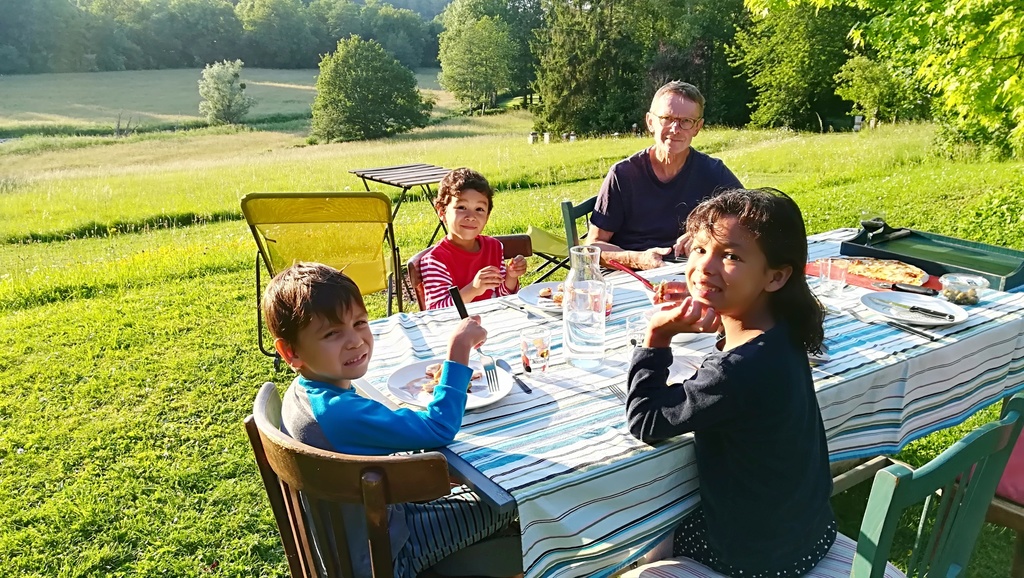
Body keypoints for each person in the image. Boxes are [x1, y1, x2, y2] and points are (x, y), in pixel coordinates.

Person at [625, 189, 835, 577]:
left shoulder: (735, 370)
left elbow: (646, 421)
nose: (705, 267)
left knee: (645, 529)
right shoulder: (784, 332)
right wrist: (720, 313)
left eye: (731, 256)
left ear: (776, 276)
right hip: (811, 531)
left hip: (756, 557)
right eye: (700, 249)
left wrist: (656, 337)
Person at [262, 262, 519, 578]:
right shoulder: (338, 413)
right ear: (290, 352)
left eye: (359, 322)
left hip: (365, 534)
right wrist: (458, 350)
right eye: (332, 333)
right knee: (509, 500)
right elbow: (440, 427)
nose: (355, 341)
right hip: (387, 556)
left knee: (477, 491)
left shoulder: (305, 391)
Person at [586, 81, 742, 270]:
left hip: (691, 271)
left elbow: (749, 218)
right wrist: (637, 259)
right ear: (650, 122)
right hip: (631, 274)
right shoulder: (623, 174)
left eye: (686, 121)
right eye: (667, 118)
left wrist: (704, 233)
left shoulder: (713, 171)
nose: (675, 129)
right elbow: (592, 247)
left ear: (697, 127)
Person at [420, 168, 528, 310]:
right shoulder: (436, 260)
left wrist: (511, 276)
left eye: (479, 209)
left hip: (494, 317)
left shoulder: (494, 247)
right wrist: (473, 289)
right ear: (442, 211)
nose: (471, 216)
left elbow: (502, 296)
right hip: (459, 323)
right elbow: (437, 311)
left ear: (487, 217)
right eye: (461, 207)